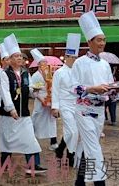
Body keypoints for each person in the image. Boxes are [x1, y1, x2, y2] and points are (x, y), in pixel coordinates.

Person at [72, 11, 119, 186]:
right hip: (84, 111)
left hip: (100, 111)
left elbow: (110, 87)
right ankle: (101, 183)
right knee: (94, 148)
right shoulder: (79, 63)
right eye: (99, 40)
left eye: (104, 40)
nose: (102, 43)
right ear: (89, 42)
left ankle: (79, 181)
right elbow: (73, 88)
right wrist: (93, 88)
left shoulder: (106, 64)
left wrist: (115, 90)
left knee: (87, 147)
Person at [0, 34, 47, 174]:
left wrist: (36, 92)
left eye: (21, 56)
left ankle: (33, 165)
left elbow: (30, 89)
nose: (19, 58)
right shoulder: (5, 74)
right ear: (10, 59)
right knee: (7, 141)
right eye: (16, 56)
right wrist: (10, 108)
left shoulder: (25, 73)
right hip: (9, 115)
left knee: (30, 139)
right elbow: (5, 92)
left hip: (24, 113)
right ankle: (4, 163)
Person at [52, 33, 81, 166]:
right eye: (72, 57)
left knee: (72, 131)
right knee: (72, 131)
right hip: (64, 104)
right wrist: (55, 107)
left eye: (76, 57)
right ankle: (71, 154)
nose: (75, 60)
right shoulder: (59, 73)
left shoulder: (78, 71)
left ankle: (60, 149)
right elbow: (55, 90)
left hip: (77, 104)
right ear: (67, 57)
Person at [30, 48, 58, 150]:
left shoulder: (50, 74)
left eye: (46, 62)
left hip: (50, 100)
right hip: (40, 100)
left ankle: (53, 142)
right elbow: (33, 90)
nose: (45, 64)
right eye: (43, 63)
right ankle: (32, 139)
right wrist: (42, 100)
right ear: (38, 65)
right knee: (36, 119)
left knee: (52, 120)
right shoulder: (35, 76)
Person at [0, 43, 10, 116]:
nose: (8, 62)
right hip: (0, 100)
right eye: (6, 60)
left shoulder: (11, 72)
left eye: (9, 60)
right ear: (2, 61)